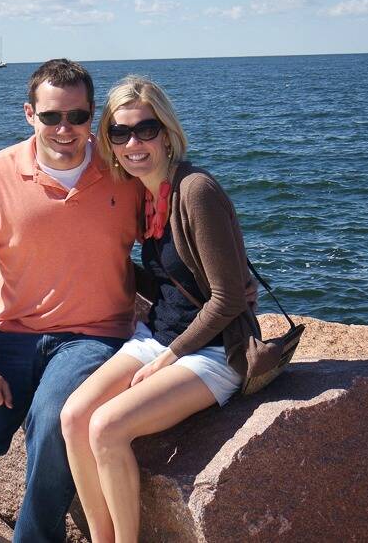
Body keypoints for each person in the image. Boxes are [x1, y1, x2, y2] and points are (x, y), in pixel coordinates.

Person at [0, 59, 142, 543]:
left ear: (92, 116)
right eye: (51, 116)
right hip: (12, 333)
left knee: (53, 423)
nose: (64, 129)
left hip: (94, 338)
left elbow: (171, 239)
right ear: (29, 114)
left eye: (77, 117)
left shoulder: (124, 171)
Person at [60, 76, 255, 542]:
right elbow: (168, 280)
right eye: (119, 133)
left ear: (166, 132)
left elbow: (227, 298)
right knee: (73, 418)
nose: (134, 143)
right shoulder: (147, 196)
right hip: (157, 336)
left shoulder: (195, 191)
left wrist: (169, 357)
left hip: (212, 351)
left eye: (145, 129)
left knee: (107, 427)